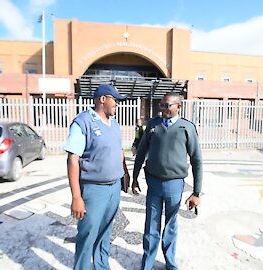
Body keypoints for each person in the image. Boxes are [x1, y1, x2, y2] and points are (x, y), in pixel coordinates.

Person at [132, 92, 203, 270]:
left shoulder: (187, 128)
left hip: (174, 184)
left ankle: (170, 262)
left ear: (178, 107)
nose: (162, 109)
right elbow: (141, 152)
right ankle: (147, 263)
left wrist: (196, 192)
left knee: (171, 226)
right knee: (151, 225)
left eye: (167, 105)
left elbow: (196, 160)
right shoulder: (152, 125)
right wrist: (134, 178)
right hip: (154, 183)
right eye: (161, 105)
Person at [64, 84, 128, 270]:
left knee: (105, 231)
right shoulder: (82, 122)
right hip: (93, 189)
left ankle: (101, 266)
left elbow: (119, 150)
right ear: (103, 99)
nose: (117, 104)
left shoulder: (114, 123)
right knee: (87, 233)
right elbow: (73, 160)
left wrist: (125, 175)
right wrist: (76, 197)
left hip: (114, 187)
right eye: (115, 100)